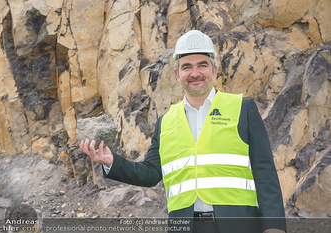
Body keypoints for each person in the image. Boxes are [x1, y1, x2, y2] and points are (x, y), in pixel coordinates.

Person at [81, 30, 286, 233]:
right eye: (187, 67)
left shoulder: (243, 108)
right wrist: (111, 161)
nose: (195, 73)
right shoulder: (166, 122)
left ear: (214, 70)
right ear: (178, 74)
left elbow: (265, 173)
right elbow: (151, 174)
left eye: (202, 65)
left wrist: (274, 227)